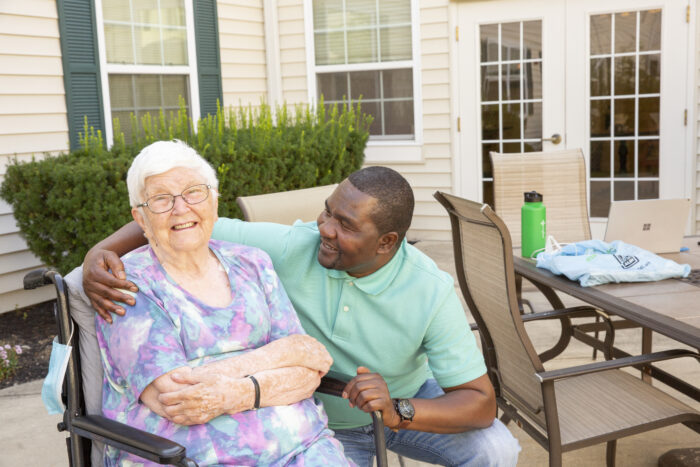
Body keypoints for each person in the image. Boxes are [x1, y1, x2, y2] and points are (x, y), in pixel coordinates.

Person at [84, 159, 521, 466]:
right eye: (327, 213)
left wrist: (398, 410)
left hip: (398, 406)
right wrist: (100, 252)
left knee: (496, 450)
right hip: (316, 415)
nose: (326, 231)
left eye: (346, 226)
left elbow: (480, 403)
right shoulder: (297, 245)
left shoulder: (430, 290)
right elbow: (188, 220)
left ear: (386, 242)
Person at [94, 140, 351, 465]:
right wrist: (282, 356)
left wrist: (233, 390)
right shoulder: (128, 283)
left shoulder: (253, 263)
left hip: (306, 449)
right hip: (195, 458)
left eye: (194, 192)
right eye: (161, 199)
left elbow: (308, 371)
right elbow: (178, 396)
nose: (181, 208)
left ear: (214, 202)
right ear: (141, 220)